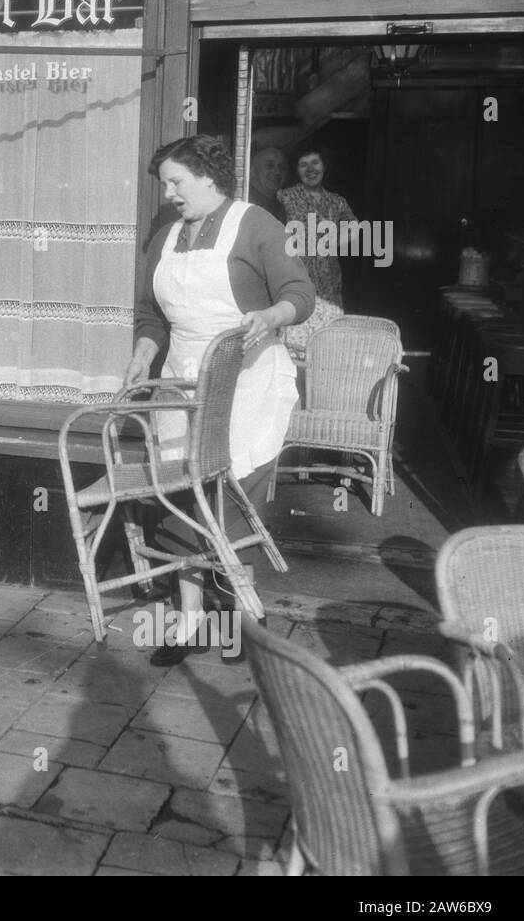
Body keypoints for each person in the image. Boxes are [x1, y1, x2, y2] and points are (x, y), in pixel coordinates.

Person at [126, 135, 315, 665]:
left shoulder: (257, 225)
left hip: (248, 381)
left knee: (237, 499)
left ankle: (237, 619)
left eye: (176, 182)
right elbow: (152, 315)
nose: (168, 194)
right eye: (165, 184)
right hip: (181, 382)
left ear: (209, 178)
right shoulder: (164, 236)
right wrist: (144, 353)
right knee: (182, 499)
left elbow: (300, 294)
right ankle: (189, 621)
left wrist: (269, 317)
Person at [278, 145, 355, 360]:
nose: (310, 169)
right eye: (303, 164)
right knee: (295, 352)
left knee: (328, 351)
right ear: (296, 170)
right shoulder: (284, 197)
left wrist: (332, 243)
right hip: (298, 281)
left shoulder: (336, 201)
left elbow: (356, 228)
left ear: (324, 166)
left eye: (315, 162)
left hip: (329, 286)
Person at [247, 145, 288, 224]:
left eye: (282, 167)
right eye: (269, 166)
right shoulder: (244, 200)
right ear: (252, 171)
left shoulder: (279, 208)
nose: (277, 172)